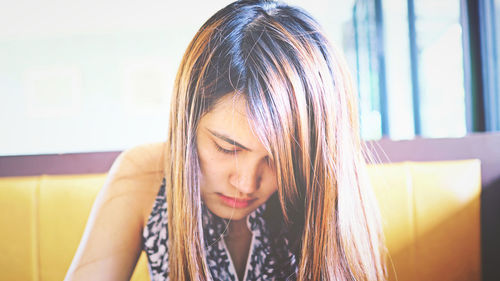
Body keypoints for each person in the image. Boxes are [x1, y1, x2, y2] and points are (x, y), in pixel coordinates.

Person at [65, 0, 387, 280]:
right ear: (187, 123)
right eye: (227, 148)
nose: (247, 184)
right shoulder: (145, 176)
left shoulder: (326, 184)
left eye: (278, 159)